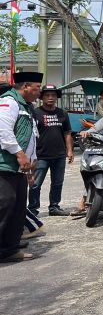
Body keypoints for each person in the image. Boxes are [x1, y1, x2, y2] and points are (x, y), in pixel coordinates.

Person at [0, 72, 42, 262]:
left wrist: (30, 167)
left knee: (17, 209)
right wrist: (19, 153)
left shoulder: (27, 107)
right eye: (36, 87)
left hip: (20, 168)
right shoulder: (9, 102)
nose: (39, 92)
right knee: (5, 203)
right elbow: (3, 131)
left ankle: (9, 249)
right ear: (25, 86)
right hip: (5, 166)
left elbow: (30, 137)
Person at [29, 84, 73, 217]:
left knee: (57, 183)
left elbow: (67, 133)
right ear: (42, 97)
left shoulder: (62, 113)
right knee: (35, 184)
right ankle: (33, 209)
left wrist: (69, 150)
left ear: (56, 97)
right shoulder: (35, 113)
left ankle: (54, 207)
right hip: (40, 155)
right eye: (47, 95)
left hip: (59, 155)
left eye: (53, 95)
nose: (50, 98)